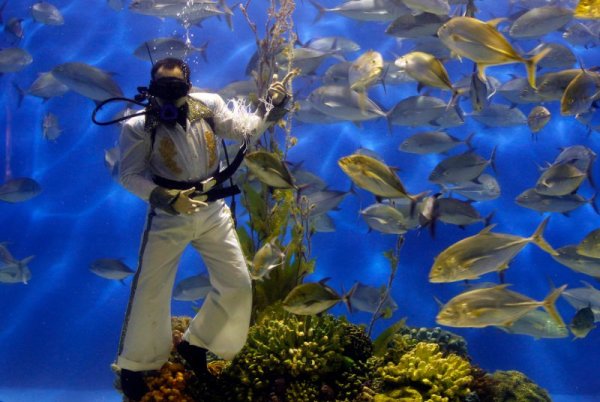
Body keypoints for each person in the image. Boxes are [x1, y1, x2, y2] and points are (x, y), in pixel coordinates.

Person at [115, 57, 290, 400]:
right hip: (168, 215)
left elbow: (244, 130)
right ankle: (135, 365)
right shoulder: (137, 125)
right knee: (151, 288)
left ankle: (197, 344)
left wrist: (271, 105)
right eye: (162, 88)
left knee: (238, 283)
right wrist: (166, 198)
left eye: (176, 87)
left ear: (189, 85)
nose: (169, 95)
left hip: (213, 210)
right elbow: (128, 175)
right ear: (150, 88)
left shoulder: (209, 105)